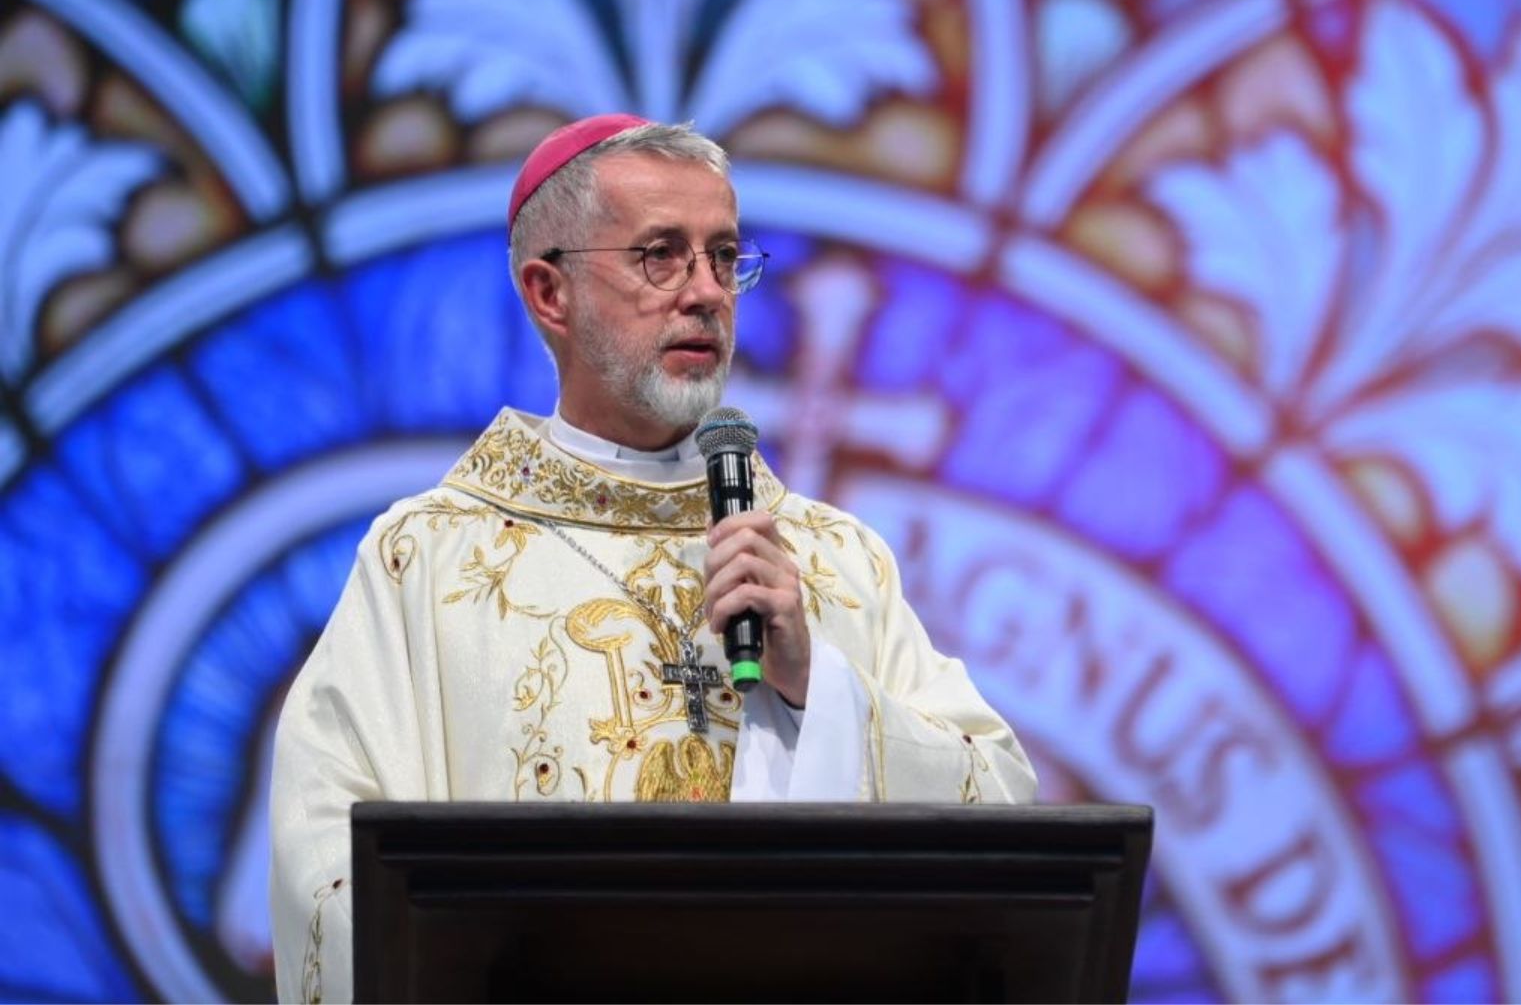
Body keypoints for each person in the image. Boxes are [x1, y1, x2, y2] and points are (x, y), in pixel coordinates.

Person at [267, 114, 1036, 1002]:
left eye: (725, 257)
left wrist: (817, 690)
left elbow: (1002, 811)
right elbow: (325, 861)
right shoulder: (430, 562)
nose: (706, 292)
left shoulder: (833, 561)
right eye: (660, 256)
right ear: (549, 293)